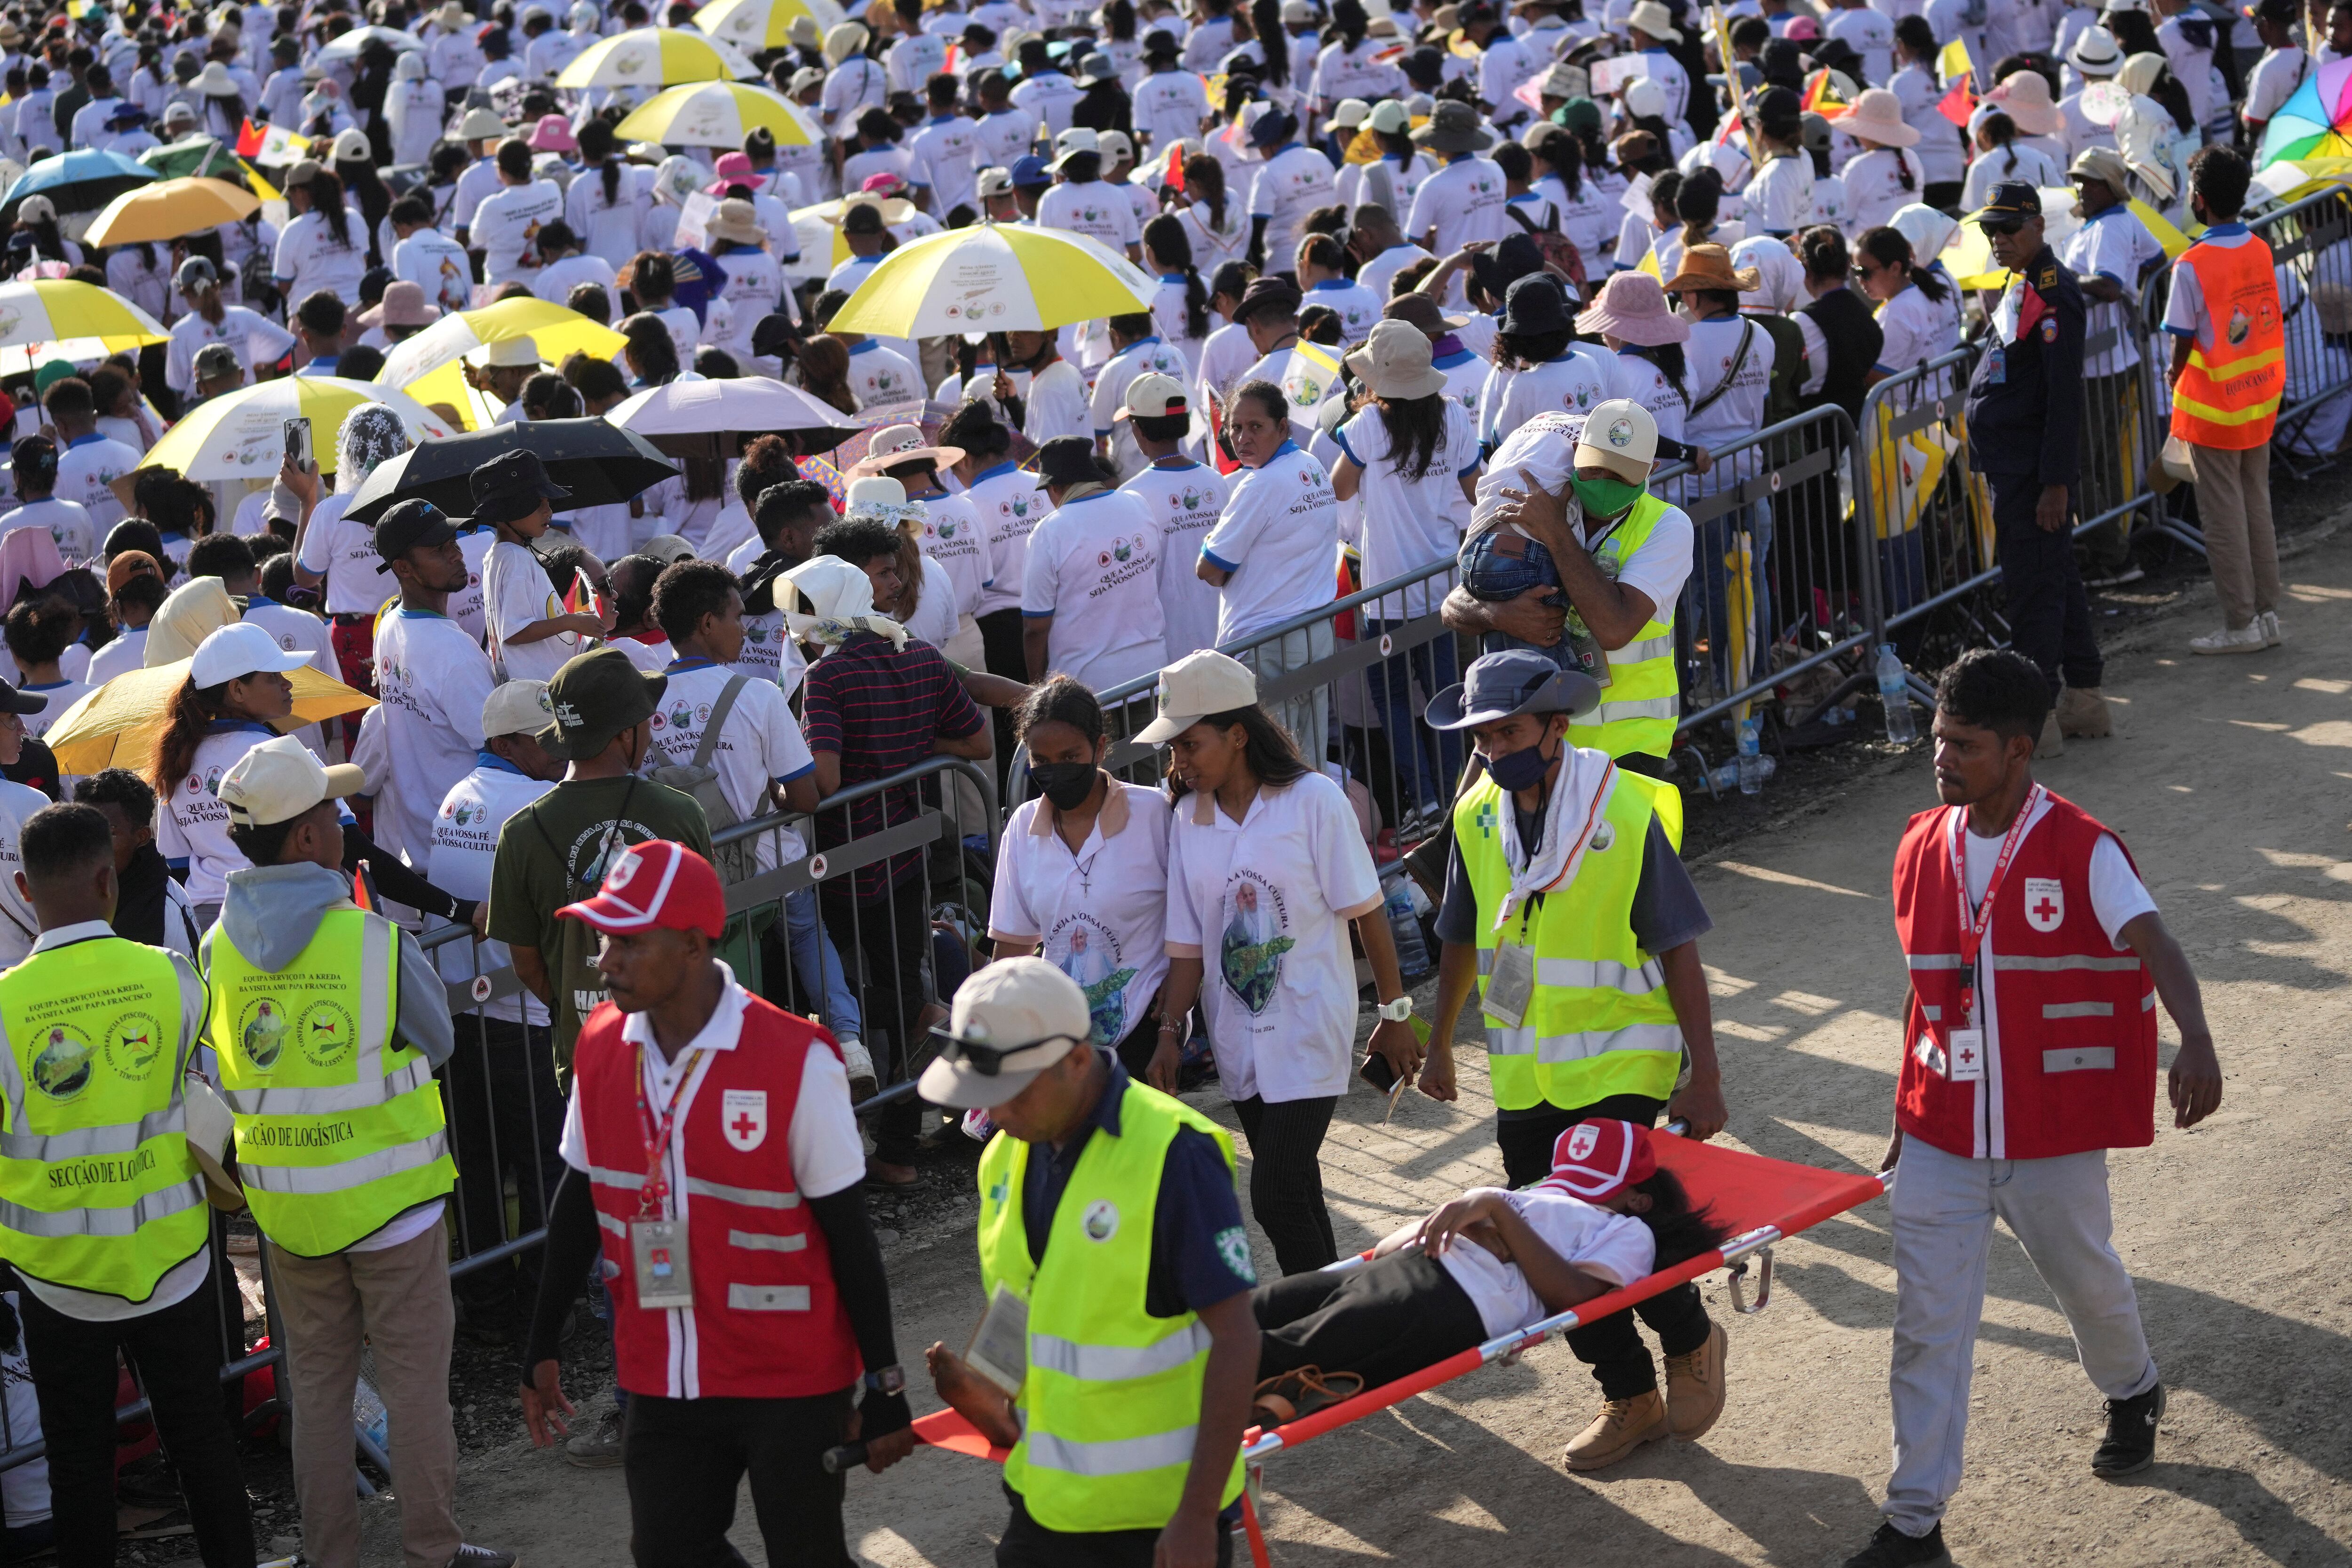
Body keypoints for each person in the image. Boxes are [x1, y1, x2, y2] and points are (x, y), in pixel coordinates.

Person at [1843, 649, 2225, 1568]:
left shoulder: (2083, 848)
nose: (1942, 759)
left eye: (1963, 746)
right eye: (1939, 739)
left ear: (2018, 750)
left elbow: (2155, 941)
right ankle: (1913, 1523)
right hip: (1941, 1130)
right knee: (1927, 1323)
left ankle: (2131, 1385)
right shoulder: (1917, 844)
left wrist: (2198, 1038)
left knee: (2085, 1282)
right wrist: (1904, 1110)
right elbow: (1925, 992)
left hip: (2048, 1135)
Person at [516, 838, 915, 1562]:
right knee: (667, 1550)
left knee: (809, 1555)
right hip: (662, 1369)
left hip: (790, 1377)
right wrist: (541, 1345)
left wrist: (884, 1381)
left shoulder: (799, 1058)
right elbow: (579, 1197)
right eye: (605, 936)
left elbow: (850, 1234)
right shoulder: (600, 1044)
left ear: (696, 946)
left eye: (630, 941)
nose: (605, 959)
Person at [199, 735, 512, 1568]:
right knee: (413, 1388)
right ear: (305, 839)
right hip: (393, 1205)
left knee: (319, 1395)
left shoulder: (215, 948)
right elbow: (438, 1040)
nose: (346, 823)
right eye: (332, 814)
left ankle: (326, 1554)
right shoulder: (369, 939)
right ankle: (432, 1551)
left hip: (289, 1213)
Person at [1418, 648, 1730, 1472]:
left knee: (1626, 1228)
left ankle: (1692, 1338)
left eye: (1509, 730)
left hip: (1622, 1061)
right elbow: (1459, 931)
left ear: (1557, 726)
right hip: (1527, 1073)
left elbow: (1679, 948)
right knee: (1548, 1244)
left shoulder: (1623, 809)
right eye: (1481, 735)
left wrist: (1707, 1072)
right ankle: (1629, 1394)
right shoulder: (1477, 814)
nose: (1492, 748)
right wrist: (1443, 1040)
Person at [918, 959, 1257, 1568]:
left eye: (1009, 1093)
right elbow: (1022, 1302)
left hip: (1156, 1524)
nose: (993, 1115)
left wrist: (1198, 1517)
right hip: (1044, 1508)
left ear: (1076, 1061)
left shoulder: (1175, 1154)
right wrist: (984, 1393)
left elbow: (1235, 1338)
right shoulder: (1003, 1160)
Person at [0, 801, 257, 1568]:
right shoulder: (172, 979)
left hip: (57, 1277)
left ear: (22, 886)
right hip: (171, 1260)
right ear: (111, 880)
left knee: (79, 1466)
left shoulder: (4, 1005)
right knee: (204, 1450)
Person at [1145, 651, 1419, 1274]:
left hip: (1309, 1028)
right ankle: (1342, 1325)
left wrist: (1395, 1012)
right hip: (1236, 1040)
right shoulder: (1188, 818)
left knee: (1273, 1196)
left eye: (1190, 744)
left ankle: (1321, 1335)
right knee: (1298, 1194)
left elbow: (1368, 911)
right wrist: (1170, 1031)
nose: (1178, 762)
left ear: (1238, 735)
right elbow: (1188, 945)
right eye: (1174, 747)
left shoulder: (1314, 800)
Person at [1253, 1119, 1729, 1407]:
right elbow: (1388, 1249)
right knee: (1247, 1310)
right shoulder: (1541, 1194)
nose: (1574, 1189)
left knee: (1272, 1353)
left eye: (1595, 1184)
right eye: (1571, 1178)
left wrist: (1497, 1213)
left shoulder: (1627, 1232)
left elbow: (1576, 1299)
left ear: (1639, 1199)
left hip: (1449, 1300)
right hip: (1395, 1270)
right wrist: (1482, 1221)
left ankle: (1183, 1405)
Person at [787, 539, 992, 1184]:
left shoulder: (827, 677)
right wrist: (904, 744)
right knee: (906, 983)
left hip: (844, 864)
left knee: (834, 995)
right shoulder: (920, 656)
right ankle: (904, 1142)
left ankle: (934, 1038)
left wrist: (778, 784)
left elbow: (820, 781)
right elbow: (979, 739)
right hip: (907, 849)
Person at [426, 681, 569, 1342]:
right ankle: (547, 1300)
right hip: (524, 1012)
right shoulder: (542, 801)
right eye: (545, 740)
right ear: (507, 743)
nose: (558, 750)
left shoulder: (458, 796)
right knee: (544, 1161)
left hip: (460, 1011)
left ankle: (487, 1299)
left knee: (477, 1164)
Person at [1446, 401, 1694, 771]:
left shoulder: (1667, 527)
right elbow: (1453, 605)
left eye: (1622, 476)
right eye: (1594, 470)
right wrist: (1496, 614)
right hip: (1537, 748)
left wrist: (1556, 532)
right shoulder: (1545, 501)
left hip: (1626, 753)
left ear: (1650, 470)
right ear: (1577, 454)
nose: (1604, 484)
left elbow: (1614, 628)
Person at [1963, 182, 2110, 755]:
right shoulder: (2019, 285)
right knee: (2056, 580)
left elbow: (2061, 398)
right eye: (1988, 230)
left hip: (2030, 470)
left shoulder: (2053, 292)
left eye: (2006, 229)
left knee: (2032, 591)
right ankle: (2084, 695)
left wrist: (2055, 483)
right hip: (2015, 463)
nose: (1996, 239)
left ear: (2036, 227)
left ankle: (2032, 717)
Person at [1330, 318, 1480, 819]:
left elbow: (1340, 488)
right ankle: (1459, 791)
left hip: (1386, 590)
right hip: (1441, 581)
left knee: (1391, 698)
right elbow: (1473, 491)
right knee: (1445, 694)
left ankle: (1431, 800)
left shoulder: (1366, 426)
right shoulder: (1454, 417)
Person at [989, 677, 1174, 1074]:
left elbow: (1191, 922)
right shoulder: (1023, 827)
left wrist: (1174, 1020)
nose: (1056, 771)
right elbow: (1012, 947)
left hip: (1143, 1028)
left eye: (1071, 757)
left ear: (1101, 749)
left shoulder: (1153, 815)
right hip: (1060, 1042)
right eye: (1041, 760)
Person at [2164, 145, 2286, 658]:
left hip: (2213, 406)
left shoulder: (2190, 264)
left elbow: (2179, 343)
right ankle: (2266, 613)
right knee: (2255, 501)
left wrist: (2173, 377)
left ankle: (2240, 623)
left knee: (2222, 517)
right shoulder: (2258, 247)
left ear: (2197, 199)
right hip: (2258, 397)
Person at [1197, 381, 1339, 761]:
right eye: (1235, 427)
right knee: (1311, 760)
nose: (1242, 437)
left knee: (1272, 764)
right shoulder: (1309, 465)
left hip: (1266, 644)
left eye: (1255, 427)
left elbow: (1208, 569)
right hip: (1312, 633)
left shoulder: (1260, 484)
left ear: (1283, 428)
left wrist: (1217, 544)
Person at [368, 500, 501, 872]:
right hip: (472, 845)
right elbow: (500, 747)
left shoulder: (391, 625)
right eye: (438, 550)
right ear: (403, 568)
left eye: (452, 542)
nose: (456, 555)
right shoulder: (452, 649)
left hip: (432, 844)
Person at [1020, 436, 1168, 693]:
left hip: (1088, 689)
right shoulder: (1137, 503)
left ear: (1054, 487)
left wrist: (1037, 687)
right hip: (1153, 674)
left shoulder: (1050, 531)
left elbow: (1035, 627)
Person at [478, 451, 611, 682]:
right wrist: (572, 621)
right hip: (539, 695)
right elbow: (515, 632)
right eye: (538, 503)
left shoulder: (500, 555)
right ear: (509, 509)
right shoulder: (514, 558)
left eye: (548, 503)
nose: (548, 511)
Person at [72, 768, 201, 959]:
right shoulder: (73, 887)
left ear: (142, 836)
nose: (88, 844)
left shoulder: (161, 909)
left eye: (108, 832)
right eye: (81, 829)